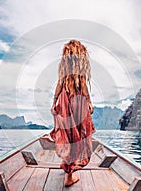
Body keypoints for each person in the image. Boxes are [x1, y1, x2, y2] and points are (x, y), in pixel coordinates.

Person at [43, 40, 96, 187]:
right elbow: (84, 88)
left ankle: (68, 172)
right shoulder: (80, 74)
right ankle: (69, 175)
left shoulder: (64, 72)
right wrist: (89, 102)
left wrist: (54, 103)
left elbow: (59, 86)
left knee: (68, 137)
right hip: (78, 104)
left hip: (65, 103)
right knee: (77, 137)